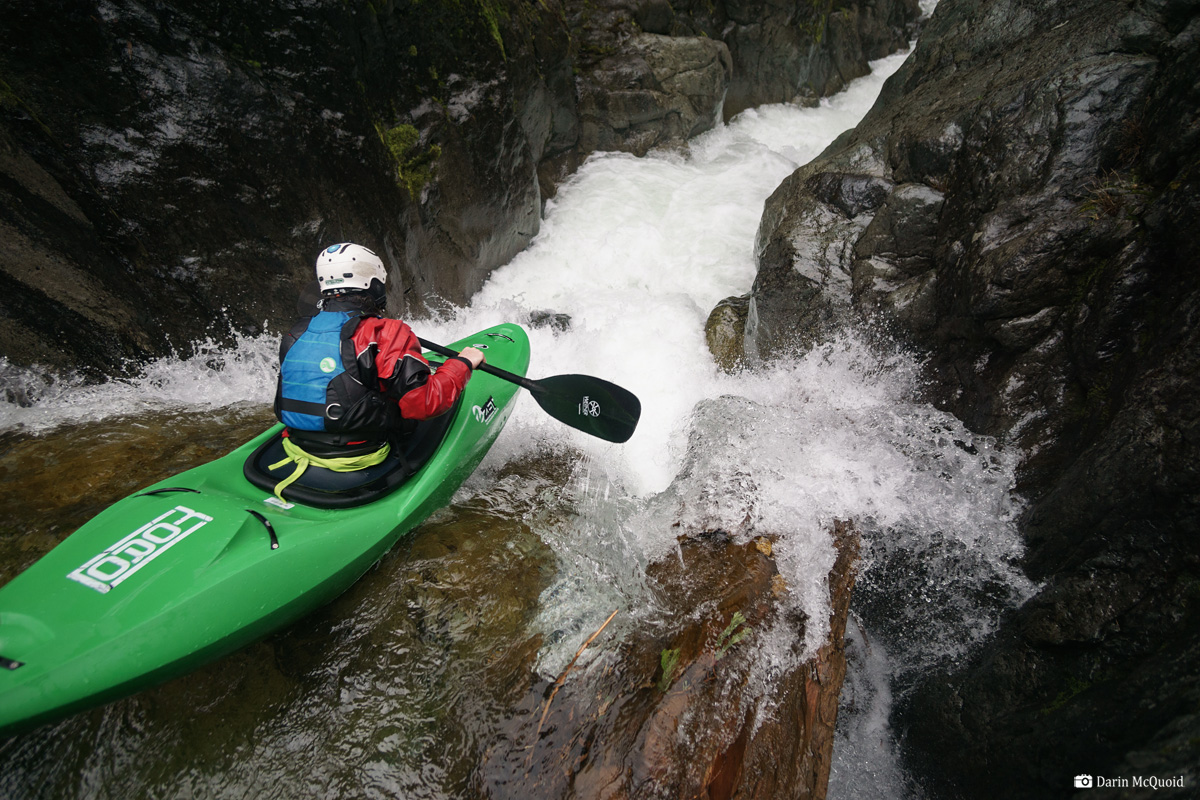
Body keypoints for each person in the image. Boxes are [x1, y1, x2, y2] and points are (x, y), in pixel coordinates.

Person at [273, 242, 485, 465]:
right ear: (373, 285)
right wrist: (462, 363)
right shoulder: (386, 333)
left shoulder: (297, 333)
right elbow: (426, 403)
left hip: (296, 446)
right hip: (359, 455)